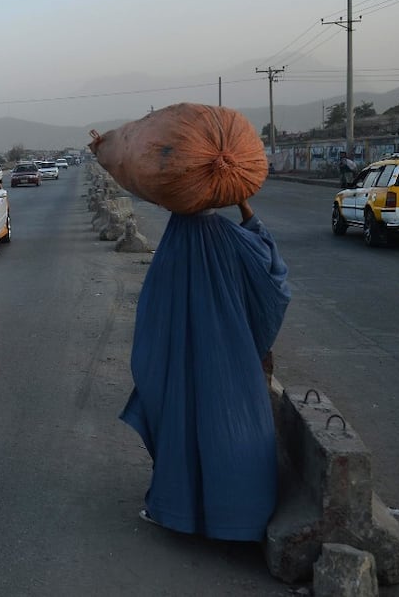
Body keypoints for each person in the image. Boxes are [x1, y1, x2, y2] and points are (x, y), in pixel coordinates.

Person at [120, 198, 291, 542]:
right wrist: (244, 203)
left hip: (184, 362)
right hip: (232, 361)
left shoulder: (173, 245)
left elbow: (151, 317)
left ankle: (179, 508)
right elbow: (273, 276)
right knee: (231, 426)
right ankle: (244, 515)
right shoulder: (231, 238)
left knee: (181, 426)